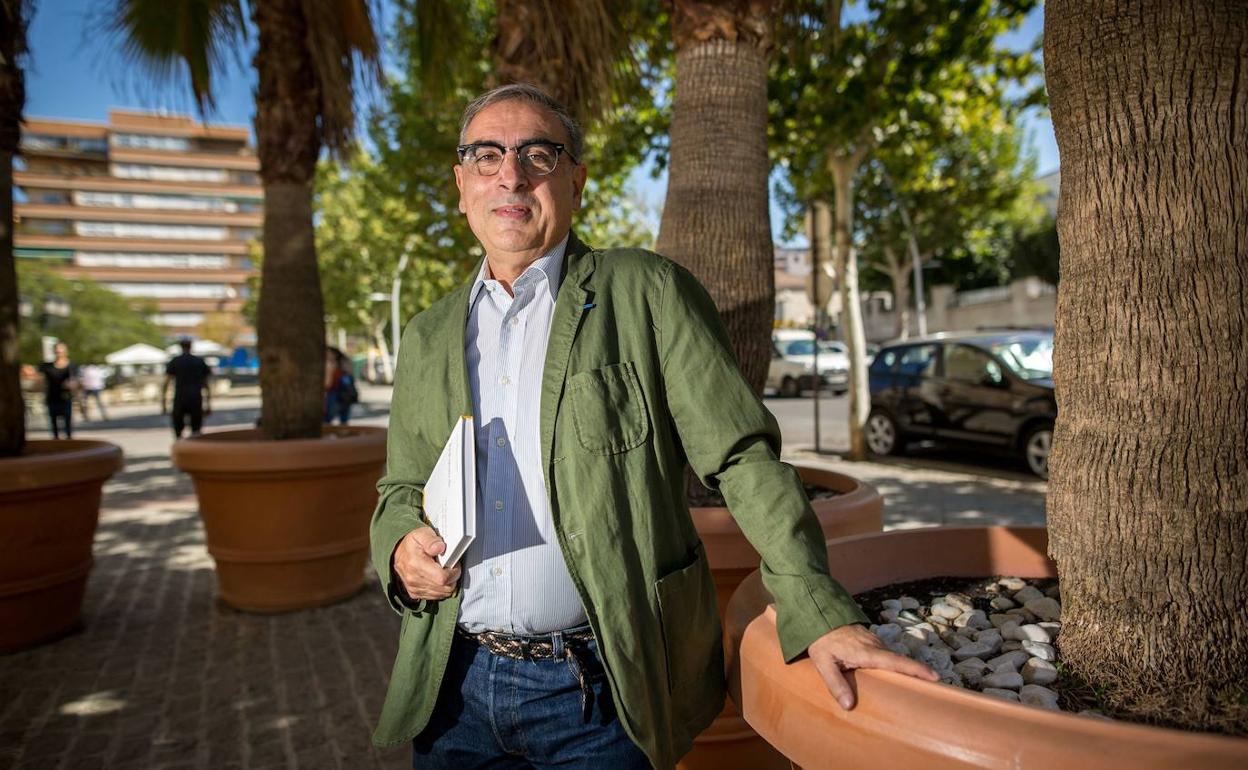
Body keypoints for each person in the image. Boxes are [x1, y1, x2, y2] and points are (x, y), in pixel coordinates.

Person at [369, 85, 938, 770]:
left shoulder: (647, 292)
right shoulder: (428, 334)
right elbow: (401, 488)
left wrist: (820, 611)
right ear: (462, 185)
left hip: (602, 692)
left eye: (538, 155)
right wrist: (400, 550)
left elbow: (743, 460)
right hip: (455, 689)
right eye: (486, 156)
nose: (511, 175)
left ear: (576, 181)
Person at [161, 338, 212, 438]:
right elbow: (206, 384)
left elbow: (166, 383)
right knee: (196, 430)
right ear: (191, 346)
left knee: (178, 430)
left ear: (180, 347)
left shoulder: (175, 361)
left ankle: (180, 446)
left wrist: (163, 403)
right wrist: (208, 403)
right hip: (196, 397)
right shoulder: (199, 361)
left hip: (180, 397)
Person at [39, 342, 78, 439]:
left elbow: (76, 381)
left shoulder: (72, 365)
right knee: (54, 425)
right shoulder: (47, 366)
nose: (59, 352)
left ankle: (68, 443)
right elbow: (41, 381)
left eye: (61, 349)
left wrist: (72, 385)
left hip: (66, 398)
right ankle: (56, 442)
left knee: (68, 424)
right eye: (57, 350)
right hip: (52, 397)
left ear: (66, 351)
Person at [323, 346, 358, 425]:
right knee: (331, 418)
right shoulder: (338, 365)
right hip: (337, 394)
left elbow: (328, 384)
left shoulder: (339, 366)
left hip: (337, 394)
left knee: (330, 418)